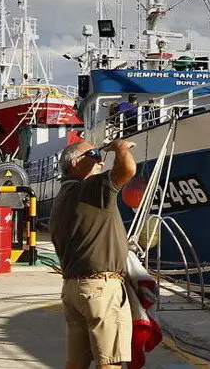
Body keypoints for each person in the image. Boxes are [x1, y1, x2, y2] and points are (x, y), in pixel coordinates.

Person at [49, 139, 137, 369]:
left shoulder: (62, 197)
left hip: (73, 290)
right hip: (100, 289)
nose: (100, 161)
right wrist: (120, 147)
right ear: (77, 162)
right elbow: (127, 169)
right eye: (94, 155)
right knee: (110, 362)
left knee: (76, 363)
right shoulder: (91, 189)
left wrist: (95, 155)